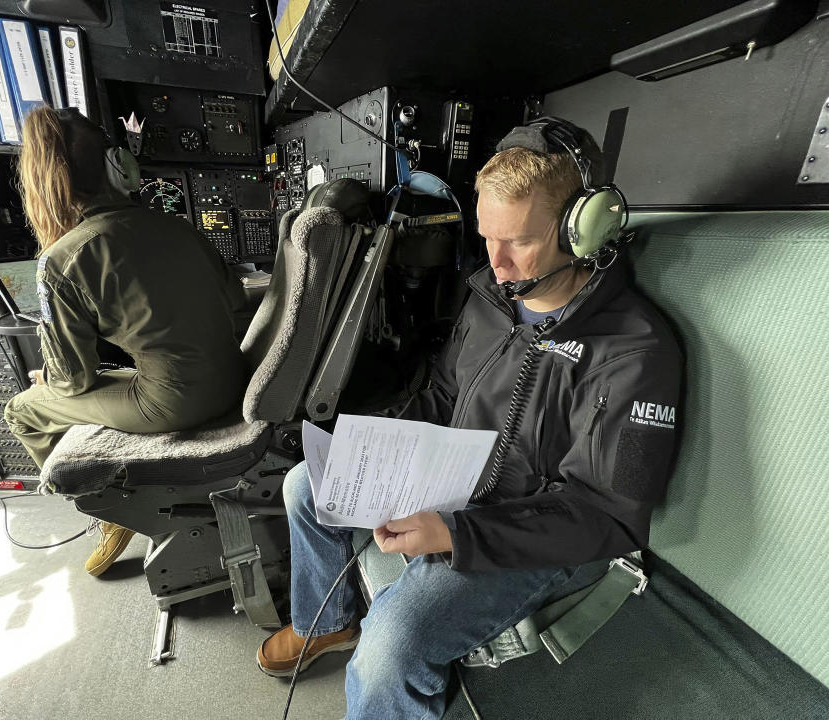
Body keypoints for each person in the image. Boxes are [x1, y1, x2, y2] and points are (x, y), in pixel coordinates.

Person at [256, 119, 684, 719]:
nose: (498, 263)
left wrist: (459, 534)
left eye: (520, 242)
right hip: (461, 482)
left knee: (393, 644)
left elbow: (606, 517)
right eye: (487, 239)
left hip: (542, 532)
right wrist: (375, 449)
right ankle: (324, 622)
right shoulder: (489, 292)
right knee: (307, 482)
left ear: (581, 232)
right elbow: (445, 394)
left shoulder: (636, 353)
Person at [4, 106, 247, 577]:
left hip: (174, 403)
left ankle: (109, 510)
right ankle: (113, 506)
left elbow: (73, 382)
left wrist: (48, 380)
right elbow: (236, 308)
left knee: (25, 408)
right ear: (118, 164)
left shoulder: (60, 260)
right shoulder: (178, 226)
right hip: (232, 378)